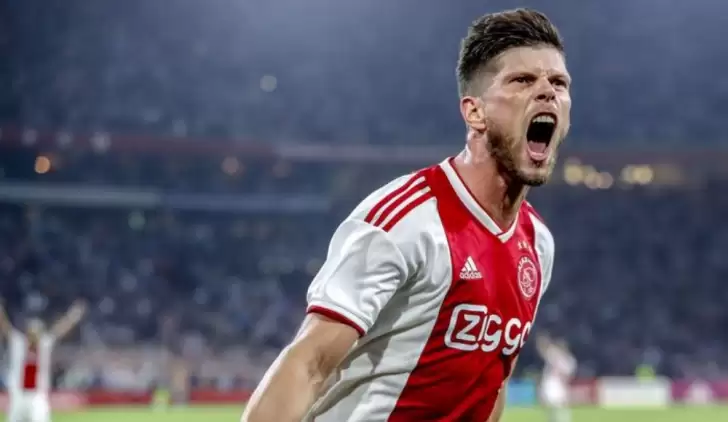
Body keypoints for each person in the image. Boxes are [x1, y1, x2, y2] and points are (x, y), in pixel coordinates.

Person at [242, 7, 571, 421]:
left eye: (559, 83)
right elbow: (308, 363)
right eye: (522, 80)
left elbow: (493, 382)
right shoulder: (407, 220)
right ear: (474, 112)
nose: (547, 92)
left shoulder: (538, 244)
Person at [1, 300, 87, 422]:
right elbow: (5, 327)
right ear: (28, 333)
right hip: (18, 395)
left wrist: (73, 315)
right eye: (32, 333)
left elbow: (59, 330)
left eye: (36, 333)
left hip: (37, 395)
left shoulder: (44, 345)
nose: (34, 337)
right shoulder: (19, 344)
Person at [536, 334, 576, 422]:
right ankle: (553, 419)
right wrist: (542, 343)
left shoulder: (569, 360)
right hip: (551, 381)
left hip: (558, 383)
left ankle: (563, 419)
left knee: (560, 403)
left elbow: (569, 372)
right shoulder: (555, 355)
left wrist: (563, 378)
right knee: (550, 402)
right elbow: (545, 351)